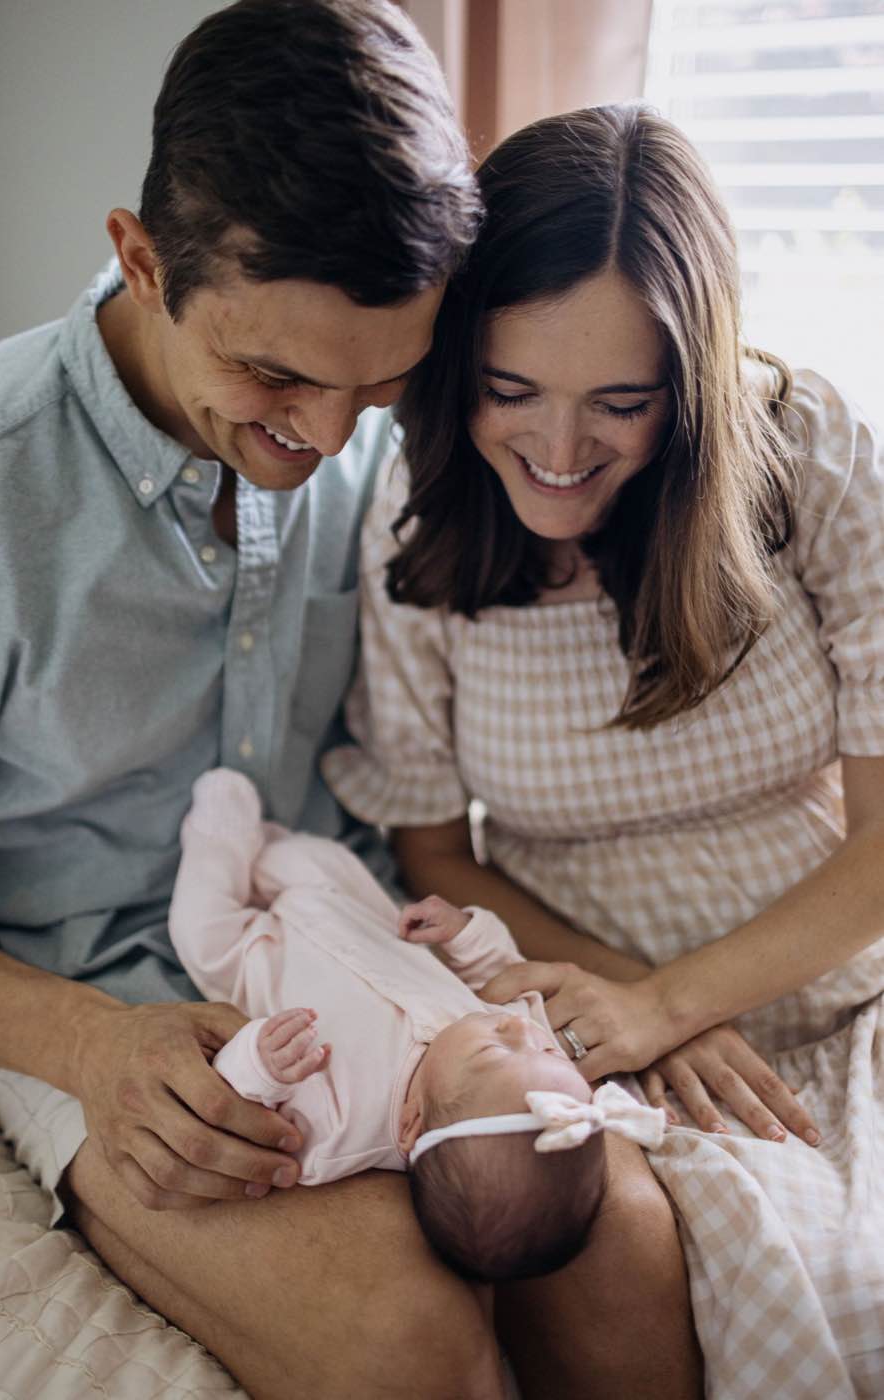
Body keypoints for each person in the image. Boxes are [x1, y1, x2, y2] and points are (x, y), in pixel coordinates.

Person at [0, 6, 702, 1397]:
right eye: (274, 374)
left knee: (629, 1248)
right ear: (139, 257)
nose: (321, 436)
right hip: (88, 986)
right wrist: (85, 1046)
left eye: (383, 382)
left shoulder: (377, 446)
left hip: (370, 954)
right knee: (404, 1341)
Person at [324, 101, 884, 1400]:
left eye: (620, 404)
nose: (560, 454)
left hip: (839, 986)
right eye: (511, 392)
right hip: (586, 1013)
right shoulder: (416, 522)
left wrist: (683, 995)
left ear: (686, 390)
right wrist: (634, 1002)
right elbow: (426, 847)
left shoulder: (804, 454)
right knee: (598, 1244)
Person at [168, 767, 666, 1283]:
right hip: (347, 911)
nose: (520, 1032)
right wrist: (466, 935)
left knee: (197, 928)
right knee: (322, 863)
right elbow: (504, 973)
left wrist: (260, 1067)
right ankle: (272, 841)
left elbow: (245, 1113)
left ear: (412, 1124)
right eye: (547, 1053)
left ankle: (219, 839)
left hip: (252, 953)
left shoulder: (339, 1131)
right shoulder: (510, 1038)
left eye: (495, 1052)